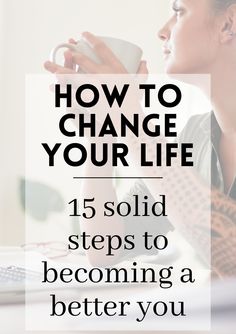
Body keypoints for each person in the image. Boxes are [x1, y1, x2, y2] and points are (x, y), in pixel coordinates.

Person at [44, 0, 236, 277]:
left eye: (178, 11)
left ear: (228, 23)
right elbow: (105, 248)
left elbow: (230, 257)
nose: (162, 31)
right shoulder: (196, 135)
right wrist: (101, 133)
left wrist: (131, 122)